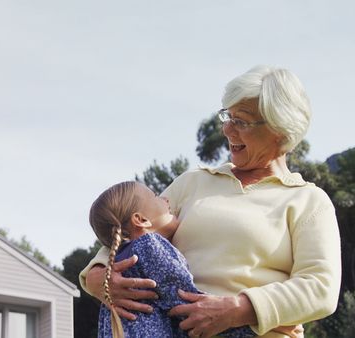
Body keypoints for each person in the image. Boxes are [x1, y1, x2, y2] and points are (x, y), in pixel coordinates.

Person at [80, 65, 341, 338]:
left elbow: (320, 287)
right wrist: (100, 276)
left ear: (279, 130)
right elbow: (129, 232)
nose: (227, 129)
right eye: (227, 116)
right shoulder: (192, 183)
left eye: (242, 121)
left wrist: (239, 309)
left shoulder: (308, 201)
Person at [89, 180, 255, 338]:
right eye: (156, 196)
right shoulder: (149, 246)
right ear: (141, 220)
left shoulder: (118, 266)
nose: (166, 199)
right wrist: (247, 325)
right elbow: (186, 304)